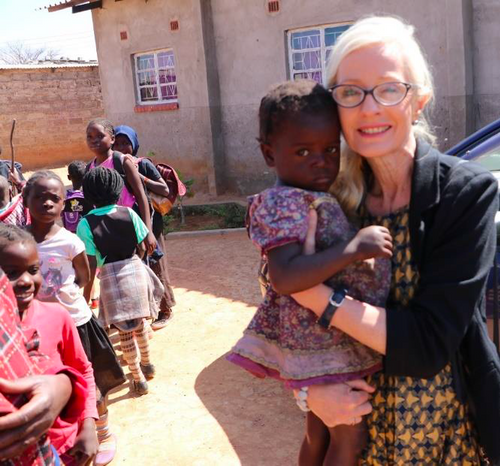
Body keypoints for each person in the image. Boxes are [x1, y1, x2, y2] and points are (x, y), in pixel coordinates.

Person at [288, 16, 500, 464]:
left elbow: (426, 345)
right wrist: (309, 391)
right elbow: (283, 318)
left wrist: (315, 294)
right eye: (351, 92)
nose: (369, 109)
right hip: (356, 444)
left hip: (446, 442)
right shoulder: (324, 199)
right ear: (334, 107)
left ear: (418, 101)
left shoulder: (465, 194)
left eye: (388, 88)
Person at [227, 80, 393, 464]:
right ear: (270, 155)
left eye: (330, 149)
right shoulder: (283, 202)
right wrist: (353, 249)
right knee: (349, 438)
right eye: (303, 151)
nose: (320, 161)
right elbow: (284, 276)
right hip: (322, 344)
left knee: (318, 432)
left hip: (324, 337)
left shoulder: (311, 196)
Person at [23, 171, 126, 466]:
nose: (47, 203)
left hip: (77, 325)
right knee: (50, 387)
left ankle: (102, 433)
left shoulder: (70, 242)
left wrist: (70, 303)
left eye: (54, 198)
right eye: (39, 197)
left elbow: (83, 276)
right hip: (37, 331)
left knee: (90, 383)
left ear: (64, 203)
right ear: (26, 200)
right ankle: (64, 438)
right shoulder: (18, 243)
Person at [0, 223, 98, 465]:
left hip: (66, 444)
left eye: (33, 269)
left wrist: (88, 424)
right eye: (11, 272)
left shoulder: (57, 316)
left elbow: (82, 369)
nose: (25, 281)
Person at [77, 167, 160, 395]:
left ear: (89, 195)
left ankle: (137, 376)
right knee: (140, 323)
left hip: (111, 279)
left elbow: (91, 264)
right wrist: (137, 260)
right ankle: (148, 362)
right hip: (135, 269)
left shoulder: (85, 224)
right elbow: (144, 244)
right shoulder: (128, 213)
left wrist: (84, 297)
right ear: (117, 189)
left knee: (124, 331)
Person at [114, 125, 176, 329]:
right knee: (138, 266)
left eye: (126, 143)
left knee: (155, 262)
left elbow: (164, 189)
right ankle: (147, 308)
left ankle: (165, 308)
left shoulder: (143, 164)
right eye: (119, 143)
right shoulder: (114, 166)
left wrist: (139, 176)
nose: (123, 148)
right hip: (128, 223)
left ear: (134, 144)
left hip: (150, 222)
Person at [85, 118, 156, 255]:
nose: (94, 140)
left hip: (130, 223)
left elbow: (141, 195)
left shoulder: (121, 161)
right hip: (105, 227)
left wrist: (148, 231)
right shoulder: (90, 168)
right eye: (90, 137)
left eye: (100, 136)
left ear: (112, 139)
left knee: (137, 262)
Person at [62, 161, 94, 234]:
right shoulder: (91, 195)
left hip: (73, 236)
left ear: (69, 177)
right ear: (86, 175)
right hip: (90, 234)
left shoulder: (64, 197)